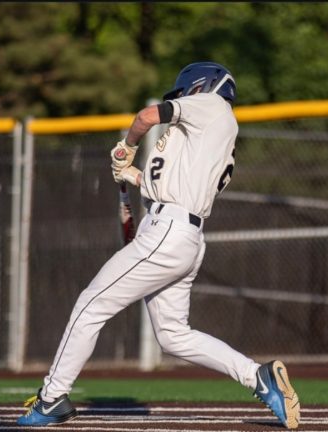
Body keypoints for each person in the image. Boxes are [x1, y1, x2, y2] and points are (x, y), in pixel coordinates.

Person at [16, 61, 300, 429]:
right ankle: (257, 376)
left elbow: (148, 116)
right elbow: (170, 186)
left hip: (168, 232)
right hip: (182, 234)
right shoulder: (213, 135)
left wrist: (127, 145)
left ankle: (52, 397)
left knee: (90, 305)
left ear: (200, 86)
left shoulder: (212, 106)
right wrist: (130, 173)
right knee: (173, 336)